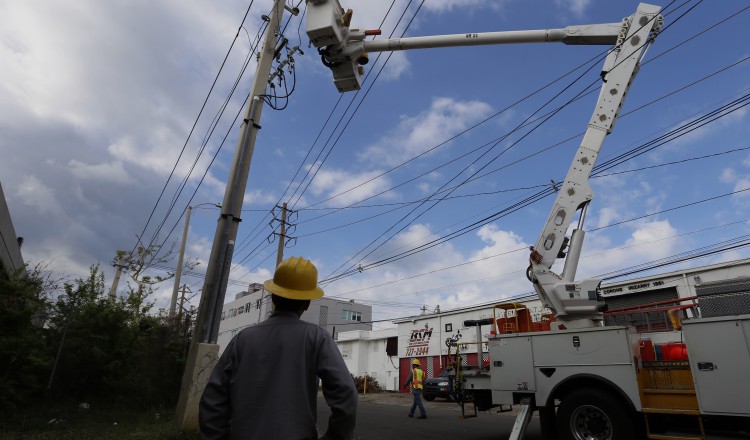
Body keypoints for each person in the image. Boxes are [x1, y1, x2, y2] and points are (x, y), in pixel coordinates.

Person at [199, 256, 357, 440]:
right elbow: (346, 394)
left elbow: (212, 401)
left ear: (273, 296)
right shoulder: (317, 337)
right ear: (307, 303)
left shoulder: (242, 339)